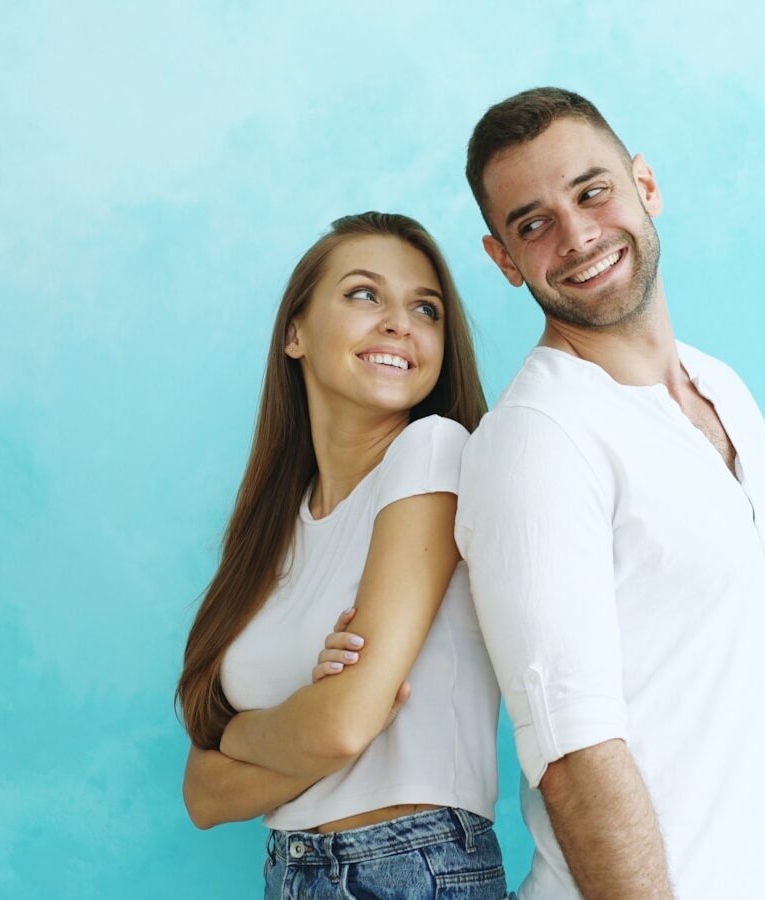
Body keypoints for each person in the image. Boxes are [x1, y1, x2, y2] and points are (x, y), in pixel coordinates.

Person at [455, 88, 765, 900]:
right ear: (503, 259)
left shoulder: (723, 388)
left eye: (592, 192)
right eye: (534, 224)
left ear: (646, 187)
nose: (578, 235)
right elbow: (573, 755)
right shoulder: (539, 438)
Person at [176, 212, 506, 899]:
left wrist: (245, 739)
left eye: (426, 308)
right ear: (294, 333)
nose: (399, 323)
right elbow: (202, 797)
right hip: (293, 870)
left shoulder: (434, 450)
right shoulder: (271, 533)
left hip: (411, 867)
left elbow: (344, 725)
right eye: (364, 294)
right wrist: (293, 726)